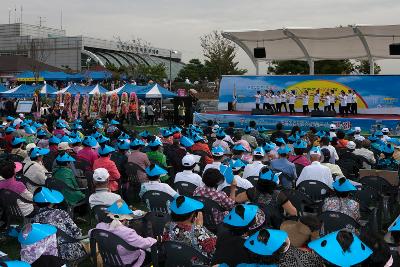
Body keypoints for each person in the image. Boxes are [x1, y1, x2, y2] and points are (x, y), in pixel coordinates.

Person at [93, 199, 157, 266]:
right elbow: (144, 243)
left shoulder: (99, 226)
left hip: (109, 259)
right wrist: (154, 240)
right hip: (129, 262)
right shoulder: (127, 232)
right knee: (150, 254)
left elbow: (91, 232)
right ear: (124, 219)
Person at [32, 187, 86, 262]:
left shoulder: (35, 219)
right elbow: (77, 233)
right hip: (69, 251)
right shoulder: (61, 213)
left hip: (49, 254)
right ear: (52, 201)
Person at [162, 196, 217, 264]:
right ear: (192, 215)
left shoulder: (167, 226)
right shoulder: (199, 231)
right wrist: (200, 227)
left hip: (174, 261)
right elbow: (214, 249)